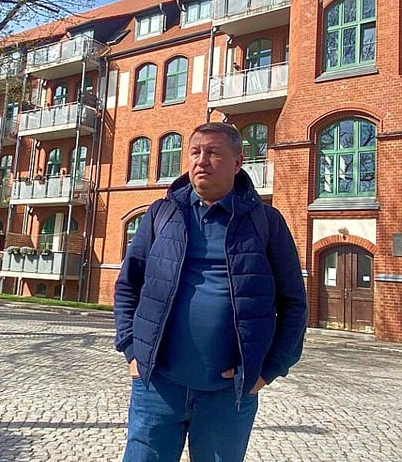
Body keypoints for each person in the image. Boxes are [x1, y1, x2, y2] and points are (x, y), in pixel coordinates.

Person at [113, 122, 307, 462]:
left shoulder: (266, 222)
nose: (201, 160)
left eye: (213, 152)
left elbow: (293, 303)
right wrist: (131, 349)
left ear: (238, 162)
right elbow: (129, 284)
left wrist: (269, 370)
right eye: (195, 152)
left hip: (227, 396)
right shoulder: (162, 214)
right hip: (157, 386)